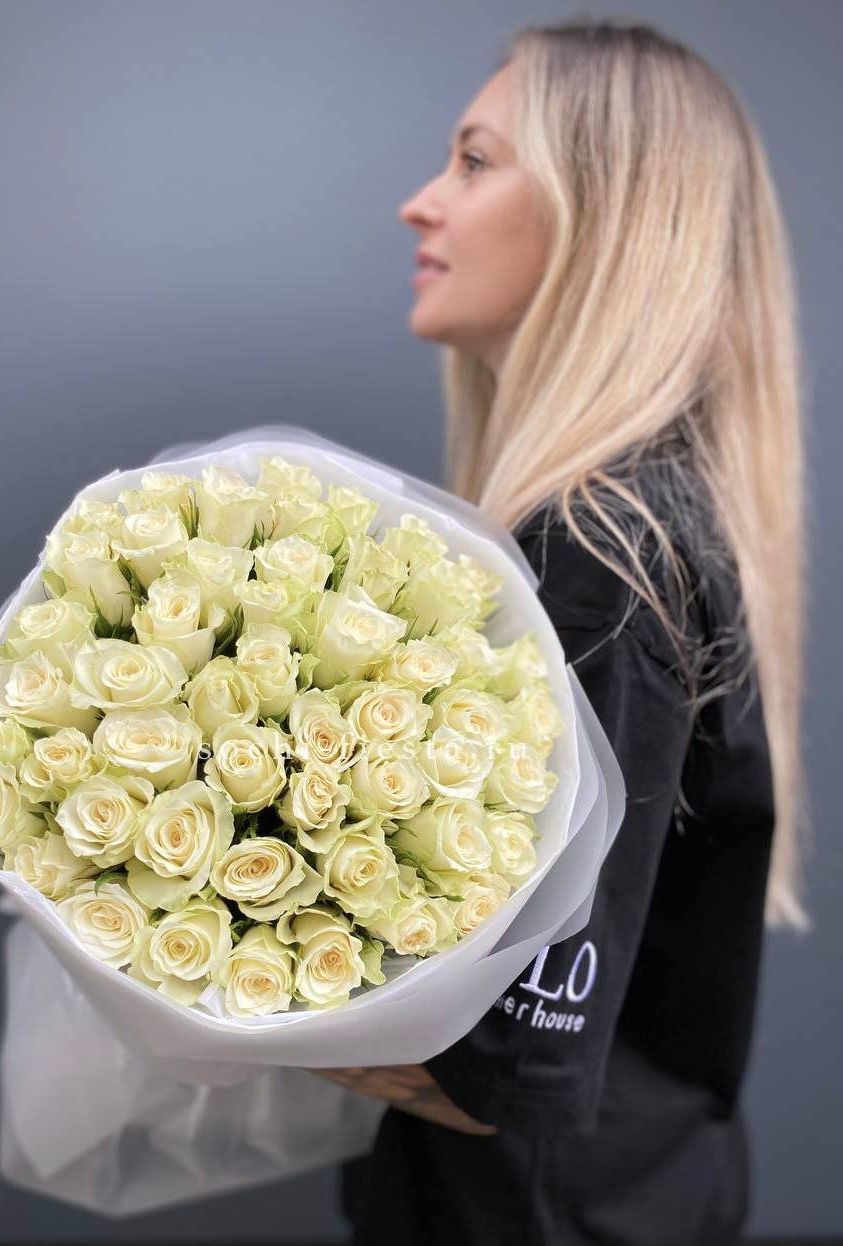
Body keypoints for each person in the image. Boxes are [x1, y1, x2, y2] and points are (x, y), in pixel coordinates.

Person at [314, 18, 812, 1246]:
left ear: (605, 215)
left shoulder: (598, 550)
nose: (420, 202)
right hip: (634, 1192)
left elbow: (509, 1070)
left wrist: (206, 964)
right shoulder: (653, 518)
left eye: (474, 161)